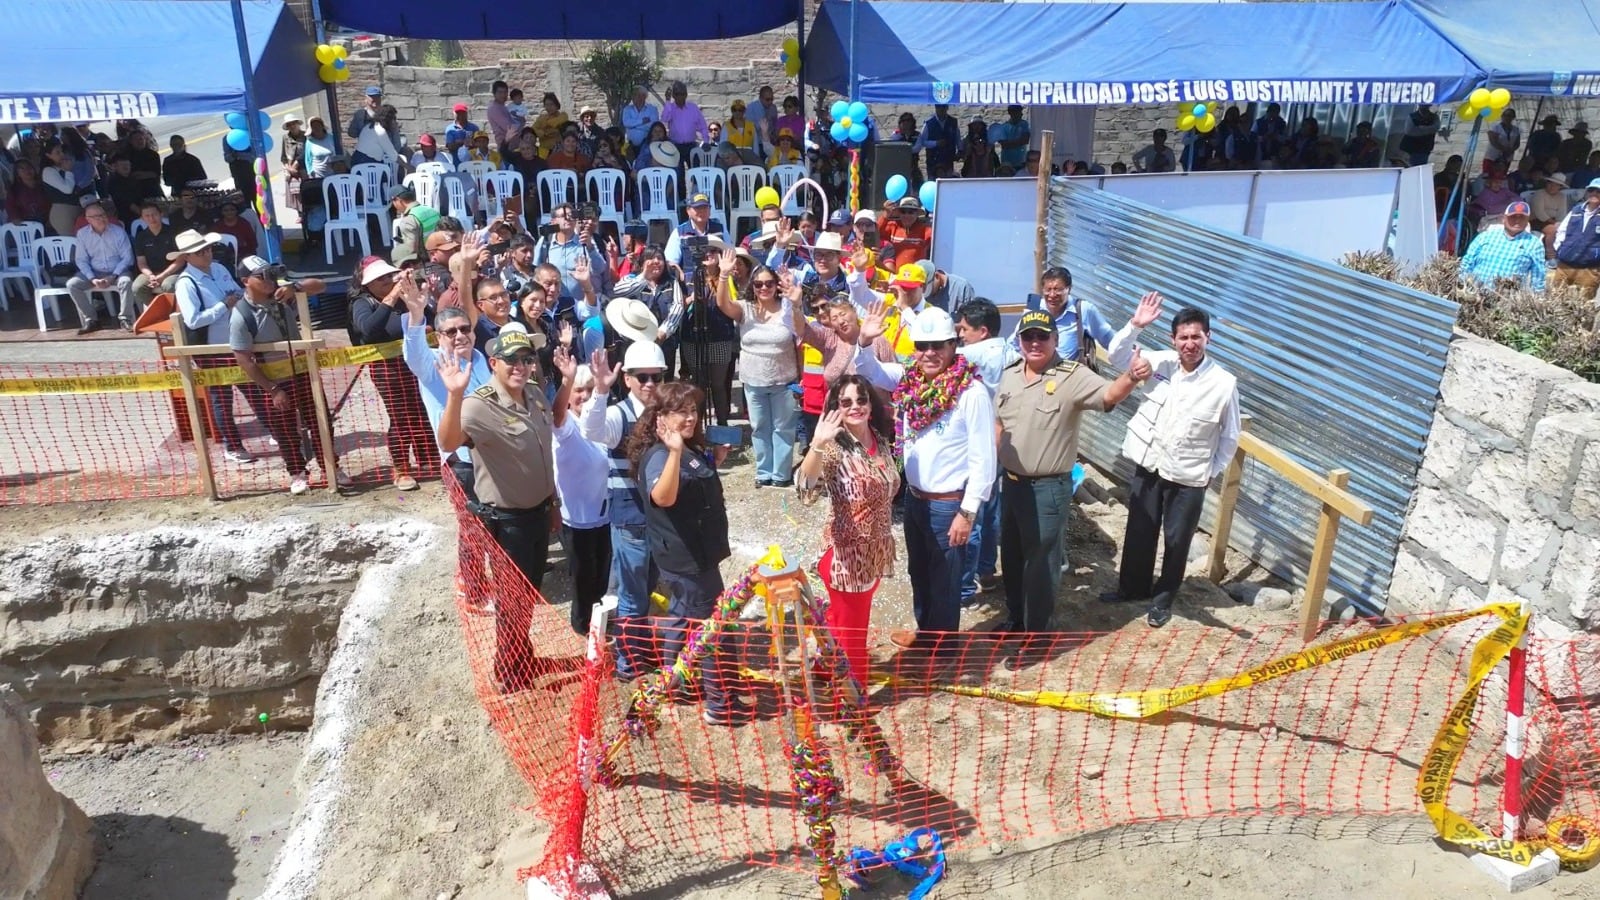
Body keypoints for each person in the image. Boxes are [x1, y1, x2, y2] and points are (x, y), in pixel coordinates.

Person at [995, 311, 1148, 639]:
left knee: (1040, 563)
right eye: (1028, 336)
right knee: (1010, 554)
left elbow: (1107, 396)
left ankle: (1037, 634)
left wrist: (1132, 376)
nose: (1035, 343)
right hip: (1010, 484)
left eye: (1042, 336)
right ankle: (1015, 619)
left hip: (1047, 488)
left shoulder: (1071, 375)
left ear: (1054, 340)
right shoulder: (1009, 375)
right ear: (1020, 340)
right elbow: (998, 423)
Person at [853, 304, 997, 653]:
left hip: (949, 506)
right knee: (920, 573)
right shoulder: (911, 381)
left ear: (953, 346)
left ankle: (943, 651)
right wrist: (864, 341)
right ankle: (927, 635)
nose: (929, 353)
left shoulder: (971, 392)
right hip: (916, 500)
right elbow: (869, 371)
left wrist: (968, 512)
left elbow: (984, 459)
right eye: (922, 346)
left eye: (939, 346)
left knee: (945, 582)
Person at [1101, 305, 1241, 628]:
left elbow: (1230, 437)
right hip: (1151, 465)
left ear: (1209, 338)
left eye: (1196, 337)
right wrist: (1135, 325)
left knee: (1177, 542)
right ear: (1173, 339)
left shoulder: (1223, 383)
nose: (1189, 343)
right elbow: (1116, 355)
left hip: (1190, 476)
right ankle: (1131, 589)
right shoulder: (1160, 362)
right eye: (1183, 337)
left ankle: (1162, 601)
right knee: (1139, 529)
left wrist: (1209, 473)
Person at [437, 330, 556, 694]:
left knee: (529, 593)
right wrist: (454, 394)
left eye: (527, 359)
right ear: (494, 364)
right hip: (509, 522)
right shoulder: (478, 404)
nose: (521, 366)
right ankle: (509, 669)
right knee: (512, 599)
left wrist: (554, 505)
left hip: (539, 512)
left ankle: (521, 653)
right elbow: (448, 442)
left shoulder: (535, 395)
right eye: (512, 360)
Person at [626, 380, 743, 725]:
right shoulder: (662, 454)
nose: (690, 418)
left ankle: (673, 681)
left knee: (682, 615)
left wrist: (711, 459)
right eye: (681, 411)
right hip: (688, 559)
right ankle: (721, 705)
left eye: (693, 410)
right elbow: (663, 497)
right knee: (712, 627)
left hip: (692, 555)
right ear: (660, 417)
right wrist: (676, 452)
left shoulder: (685, 447)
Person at [795, 375, 899, 686]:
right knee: (854, 637)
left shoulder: (879, 439)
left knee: (844, 624)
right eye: (846, 402)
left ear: (870, 403)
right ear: (835, 408)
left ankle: (823, 669)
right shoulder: (833, 447)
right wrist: (817, 444)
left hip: (875, 552)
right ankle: (856, 701)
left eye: (861, 400)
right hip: (845, 558)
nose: (855, 407)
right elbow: (805, 490)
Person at [579, 341, 668, 679]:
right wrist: (600, 392)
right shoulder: (618, 413)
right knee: (632, 594)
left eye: (655, 377)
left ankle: (638, 651)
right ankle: (629, 662)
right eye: (642, 377)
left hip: (659, 518)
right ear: (627, 379)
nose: (649, 384)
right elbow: (592, 430)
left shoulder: (664, 412)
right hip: (631, 518)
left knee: (647, 586)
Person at [230, 255, 346, 493]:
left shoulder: (284, 296)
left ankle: (330, 467)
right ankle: (297, 473)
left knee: (321, 421)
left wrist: (294, 287)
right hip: (274, 381)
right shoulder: (242, 314)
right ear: (245, 281)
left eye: (270, 274)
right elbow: (243, 358)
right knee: (283, 429)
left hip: (303, 374)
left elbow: (320, 285)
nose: (269, 280)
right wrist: (272, 389)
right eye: (261, 276)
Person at [349, 258, 436, 491]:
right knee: (399, 417)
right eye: (381, 279)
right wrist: (390, 299)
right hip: (387, 369)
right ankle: (400, 468)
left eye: (389, 276)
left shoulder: (403, 298)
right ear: (368, 284)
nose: (388, 281)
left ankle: (428, 459)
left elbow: (430, 318)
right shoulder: (362, 302)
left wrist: (415, 296)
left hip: (415, 362)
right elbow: (368, 329)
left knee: (422, 409)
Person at [714, 249, 799, 487]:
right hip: (753, 380)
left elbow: (801, 331)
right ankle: (764, 472)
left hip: (784, 379)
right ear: (752, 286)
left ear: (776, 285)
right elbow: (722, 303)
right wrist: (723, 275)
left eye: (769, 283)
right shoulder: (745, 308)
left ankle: (781, 474)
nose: (764, 288)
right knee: (759, 428)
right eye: (759, 284)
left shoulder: (786, 309)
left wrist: (797, 301)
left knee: (783, 429)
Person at [953, 299, 1016, 602]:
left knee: (971, 513)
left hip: (978, 443)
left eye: (964, 329)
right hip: (1004, 442)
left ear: (983, 331)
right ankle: (987, 572)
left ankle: (964, 588)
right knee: (990, 510)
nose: (960, 335)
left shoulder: (975, 353)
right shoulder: (1015, 353)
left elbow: (936, 354)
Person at [549, 346, 613, 636]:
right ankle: (582, 626)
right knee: (583, 577)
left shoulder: (599, 422)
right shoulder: (566, 427)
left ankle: (600, 624)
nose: (584, 397)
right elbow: (556, 414)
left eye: (589, 390)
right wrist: (567, 380)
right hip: (575, 518)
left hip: (604, 513)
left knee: (604, 572)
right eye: (579, 391)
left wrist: (601, 387)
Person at [174, 229, 254, 463]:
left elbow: (236, 292)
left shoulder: (219, 269)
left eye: (207, 249)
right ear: (187, 257)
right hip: (211, 348)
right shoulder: (185, 283)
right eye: (200, 252)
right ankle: (233, 445)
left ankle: (275, 432)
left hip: (236, 339)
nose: (206, 254)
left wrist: (237, 297)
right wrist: (223, 305)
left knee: (253, 388)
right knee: (222, 397)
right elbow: (193, 320)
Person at [1011, 266, 1146, 366]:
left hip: (1067, 380)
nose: (1052, 295)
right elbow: (1014, 344)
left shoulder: (1083, 310)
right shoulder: (1034, 309)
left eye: (1058, 290)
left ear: (1069, 289)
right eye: (1048, 290)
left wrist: (1135, 356)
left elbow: (1109, 341)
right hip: (1036, 376)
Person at [66, 202, 132, 334]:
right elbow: (81, 260)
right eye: (96, 216)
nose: (101, 218)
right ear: (88, 219)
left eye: (102, 215)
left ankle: (125, 318)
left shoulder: (118, 232)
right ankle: (91, 320)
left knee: (126, 282)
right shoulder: (82, 234)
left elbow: (127, 258)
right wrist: (92, 278)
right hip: (94, 271)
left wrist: (113, 275)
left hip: (117, 271)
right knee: (72, 284)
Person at [1460, 201, 1547, 291]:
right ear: (1503, 218)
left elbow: (1538, 277)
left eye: (1522, 217)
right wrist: (1461, 285)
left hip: (1506, 299)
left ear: (1527, 221)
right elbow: (1467, 262)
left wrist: (1537, 297)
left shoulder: (1534, 244)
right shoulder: (1485, 236)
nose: (1517, 221)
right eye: (1513, 217)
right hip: (1474, 292)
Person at [130, 202, 183, 325]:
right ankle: (161, 313)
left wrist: (163, 275)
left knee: (169, 285)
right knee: (137, 287)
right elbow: (141, 262)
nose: (151, 218)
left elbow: (180, 260)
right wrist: (150, 276)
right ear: (142, 218)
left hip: (172, 271)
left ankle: (174, 315)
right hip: (151, 271)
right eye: (147, 216)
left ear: (161, 214)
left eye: (154, 214)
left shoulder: (173, 232)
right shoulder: (141, 236)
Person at [1552, 179, 1600, 298]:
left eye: (1598, 191)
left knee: (1583, 307)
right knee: (1555, 300)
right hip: (1565, 265)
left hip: (1589, 269)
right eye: (1591, 190)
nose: (1594, 193)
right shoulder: (1576, 210)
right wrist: (1560, 249)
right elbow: (1561, 230)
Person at [390, 186, 439, 267]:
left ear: (399, 201)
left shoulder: (408, 221)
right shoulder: (432, 210)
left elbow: (411, 252)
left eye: (393, 203)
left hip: (428, 263)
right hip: (441, 256)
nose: (394, 206)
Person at [662, 82, 710, 162]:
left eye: (682, 94)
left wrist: (706, 141)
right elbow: (665, 118)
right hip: (675, 146)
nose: (680, 96)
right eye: (677, 94)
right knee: (678, 173)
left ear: (686, 94)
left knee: (695, 172)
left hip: (691, 145)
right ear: (673, 95)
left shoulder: (693, 108)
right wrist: (667, 101)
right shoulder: (670, 107)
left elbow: (702, 126)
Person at [41, 141, 80, 237]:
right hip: (62, 211)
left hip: (75, 208)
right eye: (57, 152)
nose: (62, 155)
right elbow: (67, 189)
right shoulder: (48, 171)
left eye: (62, 151)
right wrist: (68, 171)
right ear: (48, 155)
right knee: (70, 242)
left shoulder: (62, 169)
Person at [353, 104, 402, 176]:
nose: (394, 121)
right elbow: (392, 154)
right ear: (387, 119)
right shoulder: (379, 131)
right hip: (366, 163)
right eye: (393, 118)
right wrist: (408, 167)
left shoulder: (370, 126)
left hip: (358, 162)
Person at [5, 159, 49, 226]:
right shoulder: (13, 190)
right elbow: (10, 207)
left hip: (46, 221)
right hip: (24, 223)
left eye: (29, 167)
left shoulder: (44, 185)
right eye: (22, 168)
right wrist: (16, 220)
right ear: (17, 173)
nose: (27, 170)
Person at [990, 105, 1031, 172]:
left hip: (1021, 161)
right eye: (1018, 112)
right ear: (1011, 113)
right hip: (1007, 162)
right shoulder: (1004, 127)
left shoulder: (1024, 124)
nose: (1021, 114)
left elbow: (1025, 140)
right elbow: (1004, 145)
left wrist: (1011, 143)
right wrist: (1018, 142)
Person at [621, 86, 660, 155]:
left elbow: (652, 126)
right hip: (630, 146)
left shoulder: (652, 109)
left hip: (647, 145)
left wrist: (633, 126)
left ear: (644, 96)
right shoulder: (627, 109)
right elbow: (626, 123)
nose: (634, 97)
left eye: (637, 95)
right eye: (633, 95)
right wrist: (642, 121)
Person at [280, 119, 307, 214]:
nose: (292, 126)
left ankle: (307, 211)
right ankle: (300, 213)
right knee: (295, 192)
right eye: (289, 125)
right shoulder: (285, 137)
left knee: (305, 190)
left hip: (303, 167)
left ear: (298, 124)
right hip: (290, 168)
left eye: (294, 124)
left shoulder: (305, 136)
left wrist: (296, 164)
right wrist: (288, 167)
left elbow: (306, 152)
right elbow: (283, 156)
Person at [532, 93, 570, 159]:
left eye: (551, 104)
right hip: (544, 151)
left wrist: (546, 125)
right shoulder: (541, 118)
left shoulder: (563, 116)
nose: (549, 107)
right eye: (547, 105)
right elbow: (533, 129)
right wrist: (543, 133)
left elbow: (555, 123)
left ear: (556, 105)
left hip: (559, 150)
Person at [1485, 108, 1522, 173]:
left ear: (1513, 117)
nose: (1507, 118)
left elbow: (1517, 143)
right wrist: (1504, 149)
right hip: (1493, 156)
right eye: (1505, 115)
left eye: (1510, 116)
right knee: (1488, 175)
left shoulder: (1516, 129)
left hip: (1507, 157)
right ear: (1502, 116)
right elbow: (1493, 141)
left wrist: (1512, 149)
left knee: (1502, 175)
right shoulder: (1495, 127)